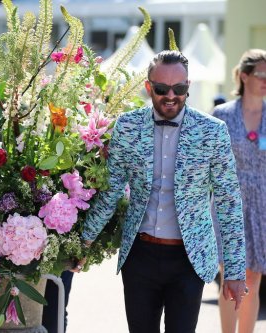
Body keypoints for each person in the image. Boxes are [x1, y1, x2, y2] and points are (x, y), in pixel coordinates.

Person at [75, 50, 247, 333]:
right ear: (148, 86)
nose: (171, 95)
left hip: (189, 260)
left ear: (188, 87)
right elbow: (112, 190)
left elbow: (229, 202)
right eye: (161, 88)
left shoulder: (213, 131)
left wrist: (235, 271)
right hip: (139, 256)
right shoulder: (127, 127)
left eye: (179, 89)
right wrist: (84, 241)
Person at [213, 49, 266, 333]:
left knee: (253, 279)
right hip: (228, 203)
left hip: (262, 205)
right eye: (261, 73)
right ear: (244, 76)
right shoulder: (222, 115)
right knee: (230, 278)